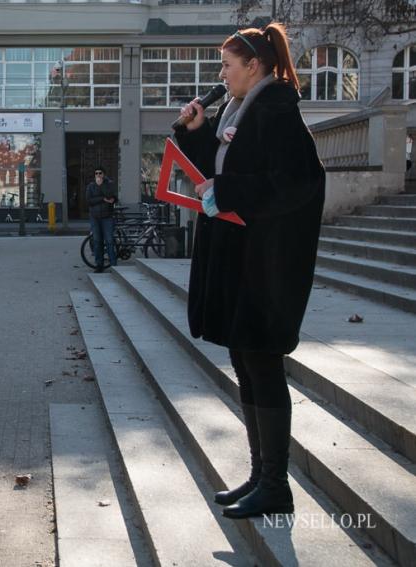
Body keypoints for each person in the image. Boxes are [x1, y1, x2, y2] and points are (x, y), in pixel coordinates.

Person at [174, 23, 324, 519]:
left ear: (253, 66)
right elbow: (220, 180)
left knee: (262, 366)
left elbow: (295, 183)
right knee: (246, 363)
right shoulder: (237, 112)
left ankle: (275, 484)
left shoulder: (276, 110)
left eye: (227, 65)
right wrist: (194, 135)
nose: (221, 74)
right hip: (241, 260)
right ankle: (260, 475)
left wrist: (229, 192)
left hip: (266, 264)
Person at [86, 165, 117, 273]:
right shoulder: (90, 186)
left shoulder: (109, 184)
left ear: (104, 175)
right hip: (95, 218)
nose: (98, 175)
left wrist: (101, 186)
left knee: (109, 241)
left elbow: (111, 196)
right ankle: (99, 265)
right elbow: (89, 201)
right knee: (97, 241)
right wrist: (102, 199)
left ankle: (113, 265)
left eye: (100, 173)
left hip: (107, 217)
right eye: (96, 173)